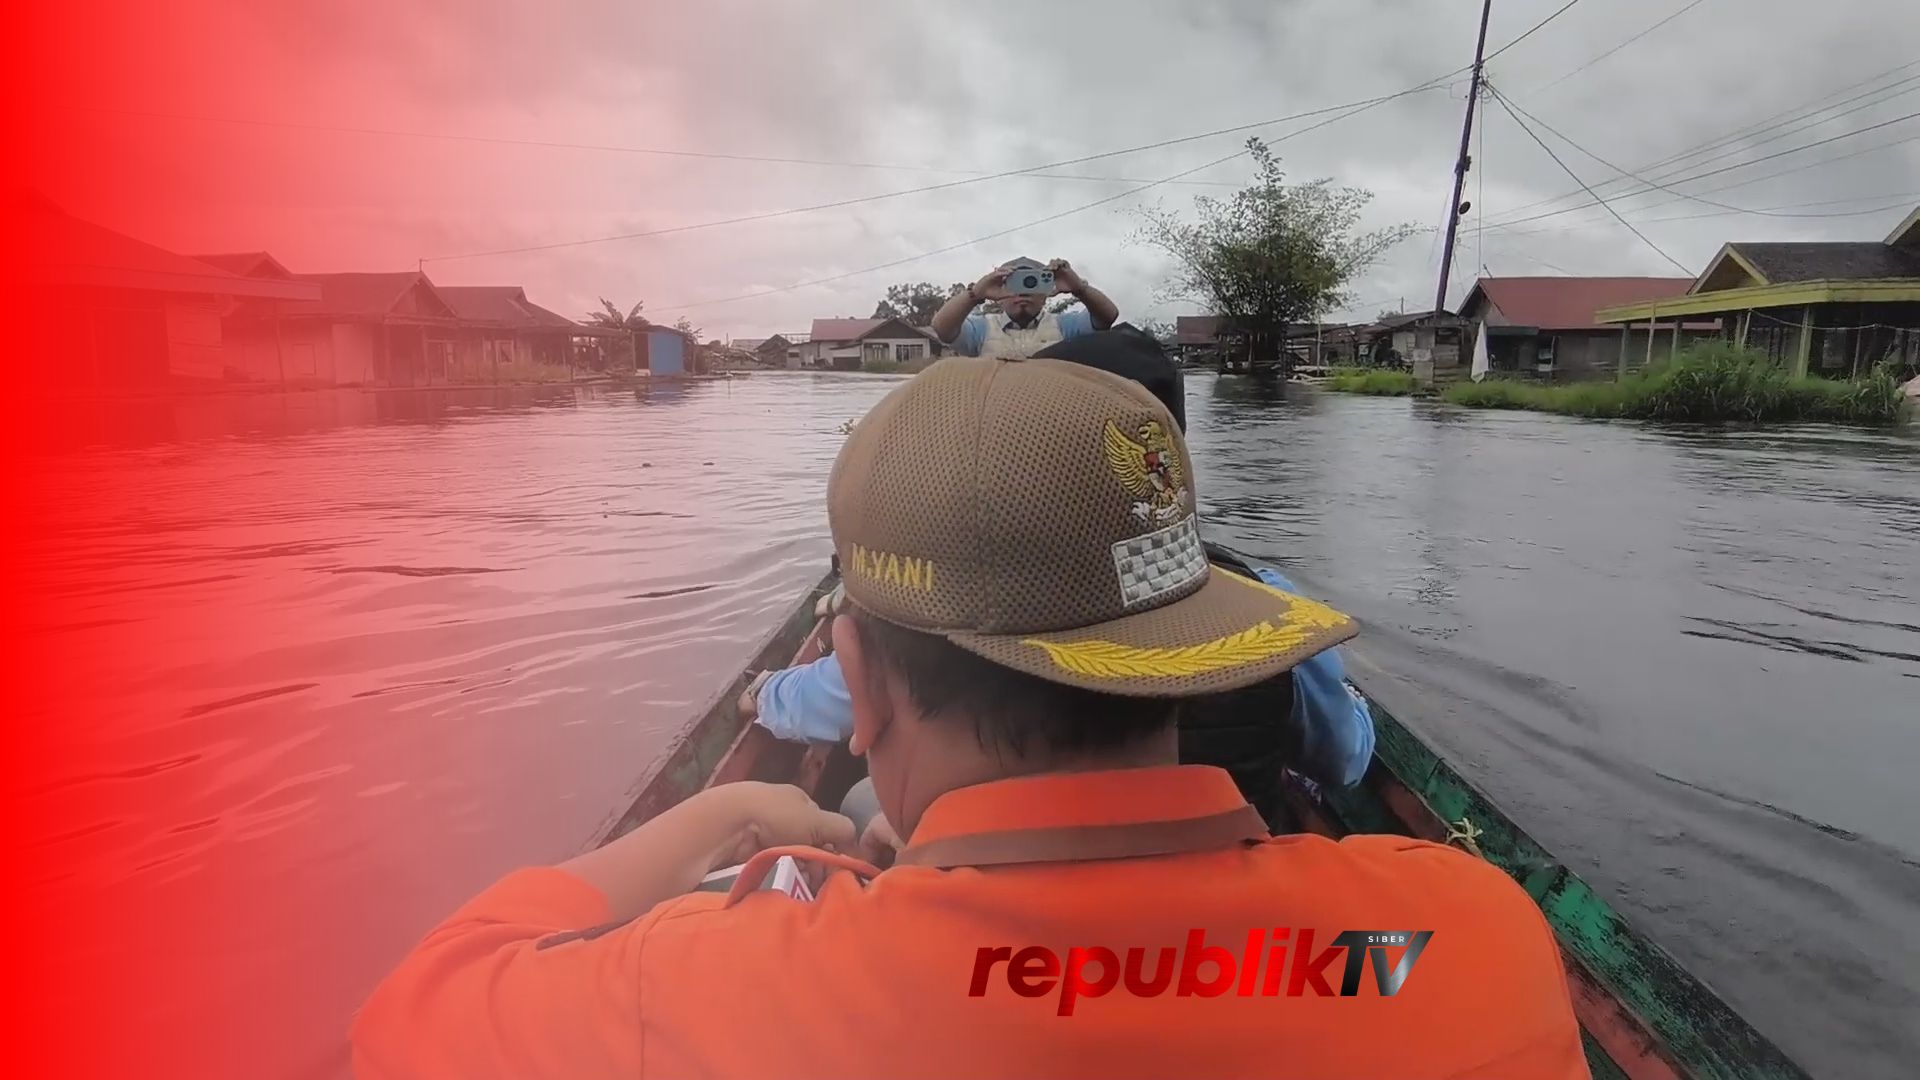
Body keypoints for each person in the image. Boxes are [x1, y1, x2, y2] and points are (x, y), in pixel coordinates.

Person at [352, 357, 1587, 1079]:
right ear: (1194, 652)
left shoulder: (721, 993)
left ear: (865, 678)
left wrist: (733, 805)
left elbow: (418, 1005)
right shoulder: (1468, 931)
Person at [744, 328, 1375, 823]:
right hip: (1240, 870)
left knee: (857, 807)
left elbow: (820, 701)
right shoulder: (1268, 601)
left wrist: (763, 692)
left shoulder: (940, 597)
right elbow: (1345, 759)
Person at [931, 256, 1119, 357]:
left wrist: (1079, 289)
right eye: (1015, 283)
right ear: (999, 292)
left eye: (1032, 283)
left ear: (1046, 293)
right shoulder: (982, 329)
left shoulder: (1065, 326)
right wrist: (976, 294)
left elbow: (1108, 316)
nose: (1023, 292)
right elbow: (942, 328)